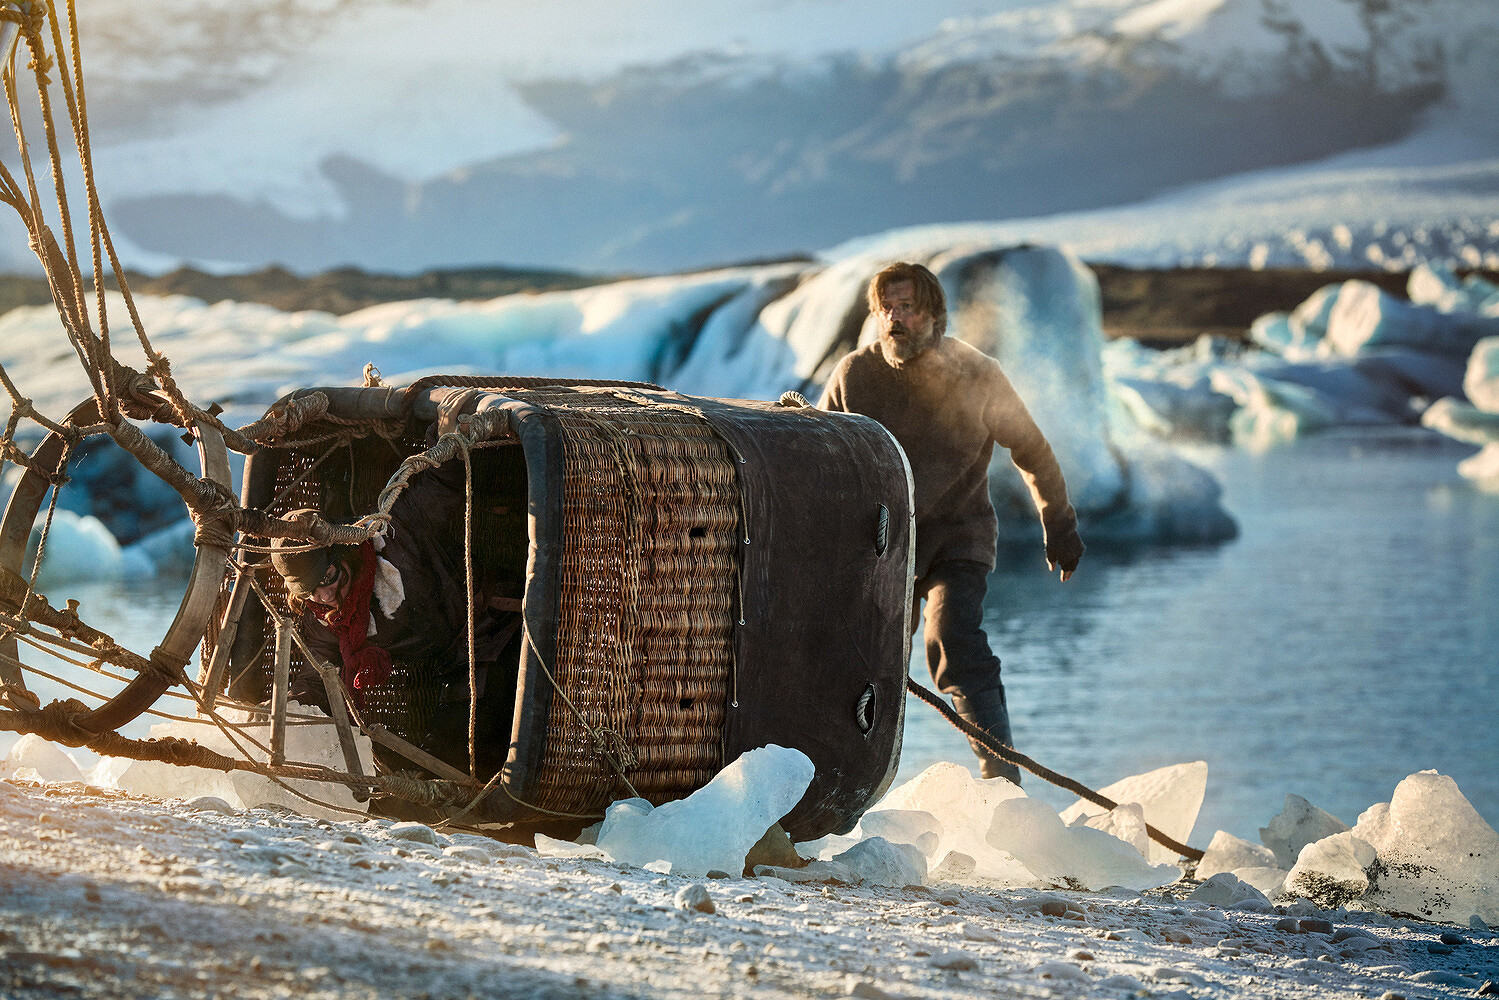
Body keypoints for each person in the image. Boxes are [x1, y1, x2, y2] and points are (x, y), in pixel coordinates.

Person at [820, 260, 1085, 784]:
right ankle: (844, 784)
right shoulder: (854, 374)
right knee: (863, 658)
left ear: (936, 314)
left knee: (951, 640)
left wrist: (1059, 522)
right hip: (882, 545)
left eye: (908, 309)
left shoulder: (978, 374)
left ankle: (1000, 781)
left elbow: (1030, 449)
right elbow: (817, 452)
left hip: (957, 541)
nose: (895, 319)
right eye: (886, 310)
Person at [269, 461, 522, 773]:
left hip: (491, 629)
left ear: (340, 553)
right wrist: (290, 716)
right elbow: (318, 676)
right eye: (309, 592)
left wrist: (443, 432)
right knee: (440, 758)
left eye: (327, 579)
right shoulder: (326, 618)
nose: (325, 597)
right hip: (448, 665)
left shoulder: (395, 535)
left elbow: (441, 484)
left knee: (486, 741)